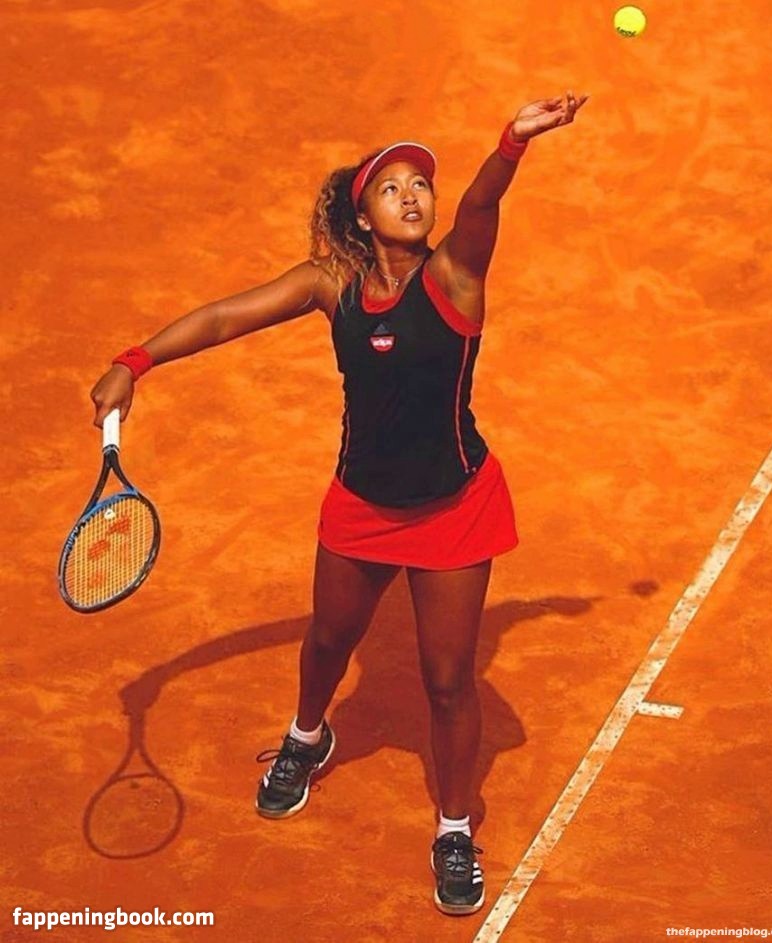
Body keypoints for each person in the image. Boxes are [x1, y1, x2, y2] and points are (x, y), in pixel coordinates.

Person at [90, 90, 589, 916]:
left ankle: (453, 828)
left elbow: (480, 204)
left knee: (448, 680)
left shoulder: (456, 274)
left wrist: (512, 141)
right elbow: (226, 317)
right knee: (327, 638)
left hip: (454, 507)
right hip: (361, 504)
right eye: (391, 187)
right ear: (362, 217)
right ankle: (307, 735)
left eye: (419, 184)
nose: (412, 195)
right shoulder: (334, 285)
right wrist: (133, 361)